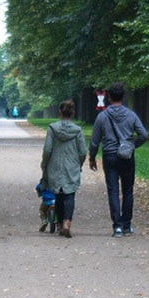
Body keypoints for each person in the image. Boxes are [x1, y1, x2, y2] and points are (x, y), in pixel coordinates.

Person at [89, 82, 148, 237]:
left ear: (109, 97)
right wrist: (132, 145)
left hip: (109, 155)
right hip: (126, 156)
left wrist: (92, 157)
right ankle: (127, 225)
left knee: (113, 191)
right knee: (128, 191)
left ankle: (117, 226)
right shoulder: (131, 115)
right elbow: (143, 135)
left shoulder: (102, 117)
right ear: (123, 96)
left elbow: (95, 140)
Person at [41, 100, 87, 238]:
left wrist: (45, 163)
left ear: (60, 112)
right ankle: (67, 223)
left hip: (55, 165)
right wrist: (78, 163)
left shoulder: (52, 129)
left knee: (58, 195)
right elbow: (83, 151)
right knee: (70, 195)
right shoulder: (78, 131)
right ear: (72, 113)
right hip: (71, 165)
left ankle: (60, 223)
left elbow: (48, 149)